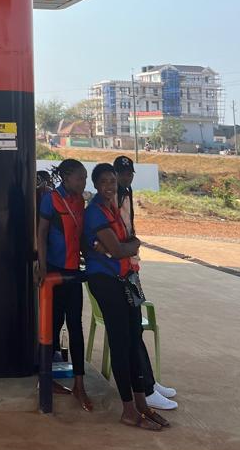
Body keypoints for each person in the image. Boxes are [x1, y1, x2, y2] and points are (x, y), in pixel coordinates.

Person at [83, 163, 170, 430]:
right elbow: (121, 249)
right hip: (106, 283)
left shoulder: (113, 208)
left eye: (112, 181)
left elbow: (127, 242)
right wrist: (130, 246)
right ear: (95, 185)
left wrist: (129, 245)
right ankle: (128, 410)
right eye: (104, 182)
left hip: (125, 281)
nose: (110, 186)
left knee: (133, 340)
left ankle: (142, 404)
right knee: (121, 345)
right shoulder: (95, 212)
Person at [113, 155, 178, 410]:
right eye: (122, 173)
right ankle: (146, 389)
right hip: (121, 270)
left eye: (129, 173)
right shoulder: (111, 197)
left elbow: (129, 228)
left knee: (137, 328)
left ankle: (149, 381)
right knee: (132, 329)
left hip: (131, 268)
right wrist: (131, 246)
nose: (126, 177)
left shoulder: (127, 193)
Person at [37, 158, 92, 411]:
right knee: (53, 325)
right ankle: (45, 380)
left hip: (73, 273)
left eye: (85, 178)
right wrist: (42, 265)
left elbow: (79, 235)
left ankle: (79, 384)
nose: (83, 182)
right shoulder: (51, 199)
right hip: (54, 273)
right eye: (80, 178)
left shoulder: (80, 201)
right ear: (67, 177)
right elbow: (42, 233)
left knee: (75, 326)